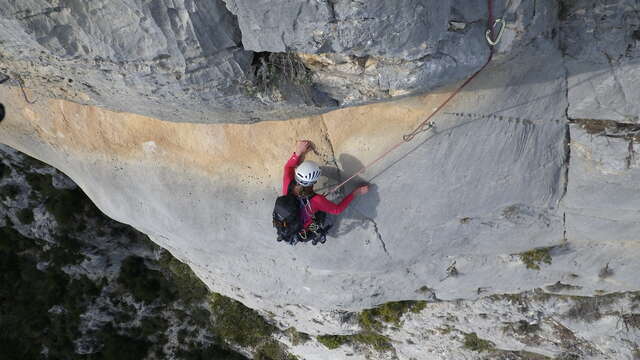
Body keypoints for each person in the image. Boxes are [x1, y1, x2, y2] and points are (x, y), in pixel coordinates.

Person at [283, 140, 368, 239]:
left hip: (286, 220)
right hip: (303, 226)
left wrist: (298, 152)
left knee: (310, 221)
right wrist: (356, 192)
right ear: (313, 182)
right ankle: (318, 232)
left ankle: (316, 231)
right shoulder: (317, 200)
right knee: (316, 226)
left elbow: (288, 167)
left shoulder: (288, 183)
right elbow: (337, 210)